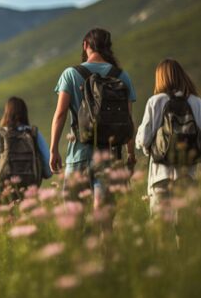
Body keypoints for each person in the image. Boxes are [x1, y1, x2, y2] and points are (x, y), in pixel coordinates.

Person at [49, 28, 137, 227]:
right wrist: (130, 154)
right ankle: (106, 252)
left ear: (85, 46)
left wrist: (54, 149)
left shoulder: (71, 74)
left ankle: (81, 253)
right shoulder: (122, 76)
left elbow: (60, 114)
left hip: (78, 155)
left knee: (74, 218)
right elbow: (128, 119)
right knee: (105, 219)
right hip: (110, 156)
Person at [135, 58, 201, 214]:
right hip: (188, 176)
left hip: (160, 178)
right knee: (186, 231)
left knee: (162, 232)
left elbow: (143, 139)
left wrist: (145, 148)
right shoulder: (197, 103)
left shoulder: (155, 102)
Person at [0, 96, 52, 202]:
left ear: (6, 113)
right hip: (30, 195)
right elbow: (49, 171)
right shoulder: (34, 134)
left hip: (3, 196)